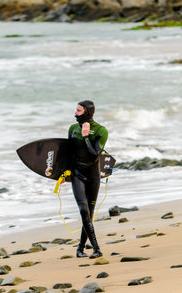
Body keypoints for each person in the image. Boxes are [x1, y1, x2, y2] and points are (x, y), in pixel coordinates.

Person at [68, 100, 108, 258]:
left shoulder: (101, 130)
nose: (75, 113)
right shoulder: (72, 129)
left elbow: (94, 154)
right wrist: (62, 173)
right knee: (83, 209)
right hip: (77, 174)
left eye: (78, 111)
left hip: (93, 176)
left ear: (87, 112)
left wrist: (86, 137)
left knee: (88, 214)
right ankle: (96, 248)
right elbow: (68, 153)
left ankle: (80, 249)